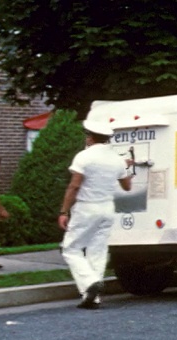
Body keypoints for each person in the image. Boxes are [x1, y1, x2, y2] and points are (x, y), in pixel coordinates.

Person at [58, 121, 133, 309]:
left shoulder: (84, 157)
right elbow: (127, 186)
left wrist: (63, 211)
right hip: (107, 208)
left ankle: (90, 282)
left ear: (91, 137)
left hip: (86, 208)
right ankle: (93, 297)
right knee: (97, 251)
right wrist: (126, 168)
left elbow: (74, 185)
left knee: (70, 248)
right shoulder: (117, 159)